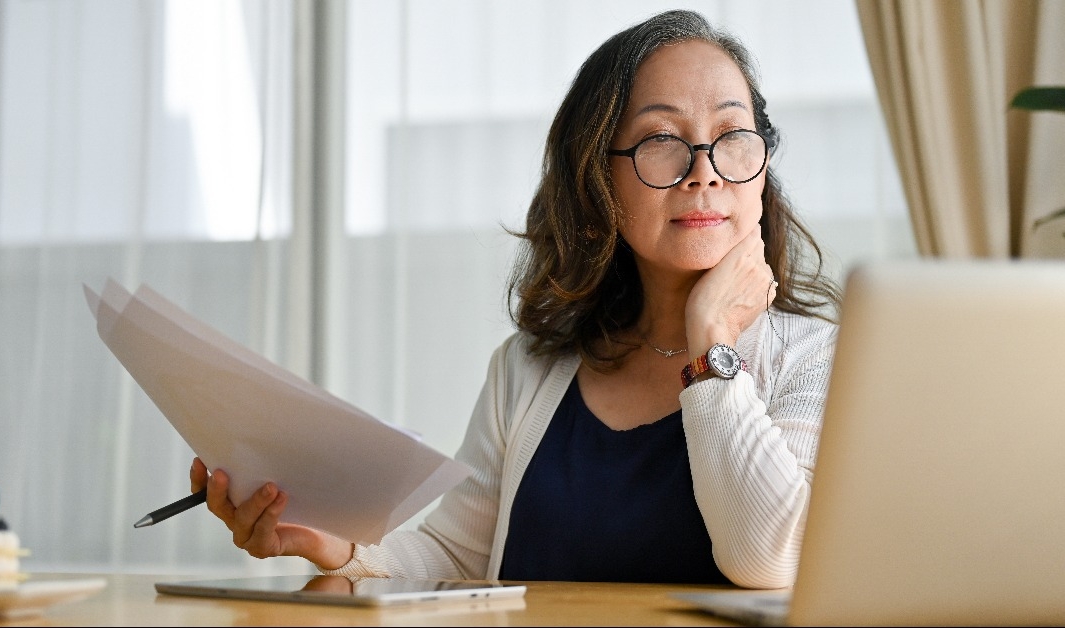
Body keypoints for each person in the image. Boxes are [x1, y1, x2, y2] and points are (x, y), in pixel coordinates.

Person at [190, 9, 840, 589]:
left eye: (731, 136)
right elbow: (453, 553)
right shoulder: (525, 369)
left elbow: (769, 559)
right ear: (597, 182)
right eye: (660, 141)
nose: (703, 169)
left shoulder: (816, 358)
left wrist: (711, 345)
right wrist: (337, 549)